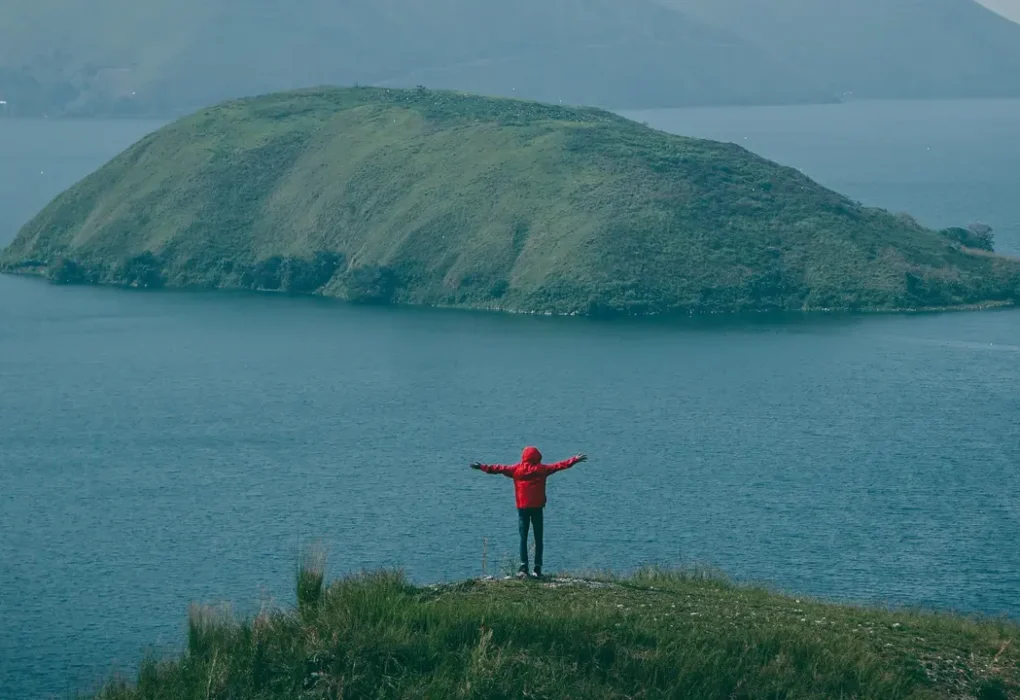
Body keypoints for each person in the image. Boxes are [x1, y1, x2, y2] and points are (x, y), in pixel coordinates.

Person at [470, 446, 587, 579]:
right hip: (537, 508)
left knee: (523, 538)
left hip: (523, 508)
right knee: (538, 539)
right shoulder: (542, 470)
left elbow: (498, 468)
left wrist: (482, 467)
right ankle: (537, 568)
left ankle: (523, 567)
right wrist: (574, 460)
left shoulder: (515, 470)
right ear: (537, 457)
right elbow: (559, 466)